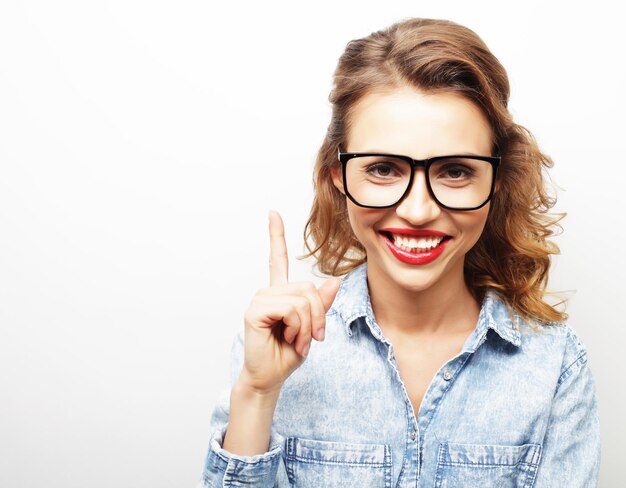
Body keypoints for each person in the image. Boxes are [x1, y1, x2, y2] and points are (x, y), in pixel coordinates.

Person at [197, 17, 600, 487]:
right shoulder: (274, 345)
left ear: (496, 181)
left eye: (454, 171)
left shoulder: (554, 365)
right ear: (338, 176)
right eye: (384, 169)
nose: (418, 210)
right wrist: (258, 394)